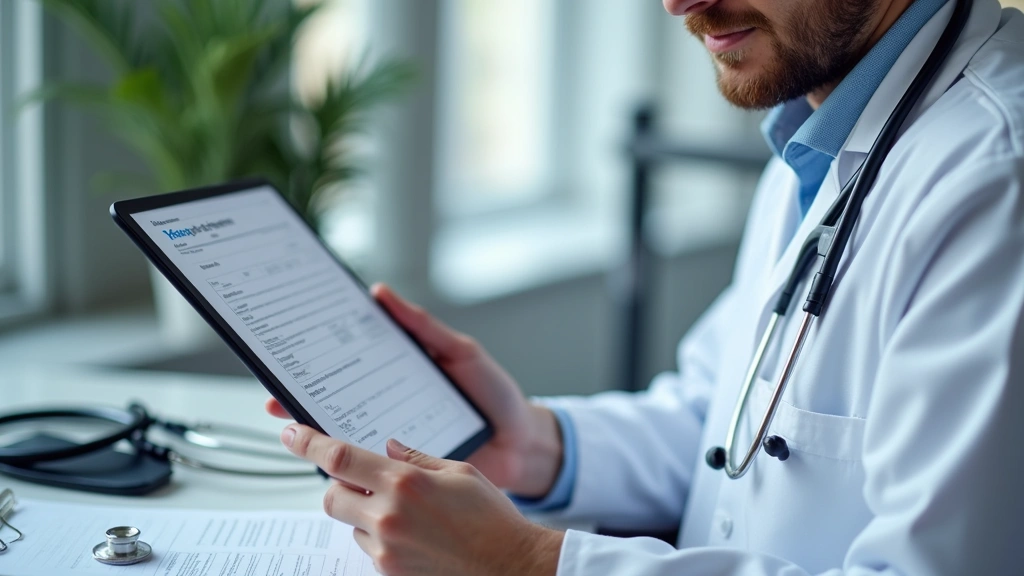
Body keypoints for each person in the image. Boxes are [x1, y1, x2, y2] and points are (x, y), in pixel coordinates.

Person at [265, 0, 1024, 573]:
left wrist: (531, 561)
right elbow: (721, 420)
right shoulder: (819, 135)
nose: (678, 2)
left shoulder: (995, 182)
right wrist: (532, 446)